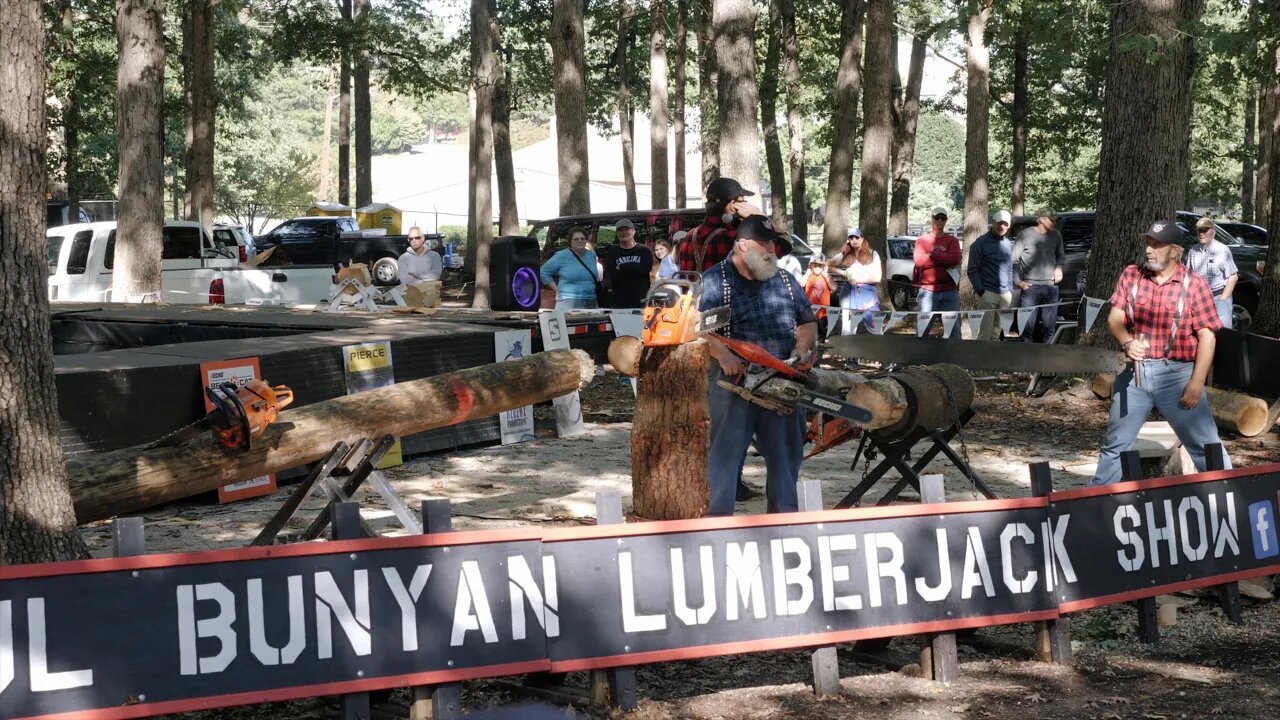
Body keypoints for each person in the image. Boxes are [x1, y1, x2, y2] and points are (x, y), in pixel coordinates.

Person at [1091, 219, 1230, 485]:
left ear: (1175, 251)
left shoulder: (1194, 283)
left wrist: (1196, 383)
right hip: (1135, 376)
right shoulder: (1132, 275)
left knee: (1205, 446)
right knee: (1115, 445)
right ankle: (1096, 505)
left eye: (1157, 245)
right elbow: (1115, 319)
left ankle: (1232, 497)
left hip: (1177, 376)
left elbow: (1207, 336)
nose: (1149, 250)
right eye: (1148, 243)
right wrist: (1127, 342)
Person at [699, 215, 818, 516]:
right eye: (763, 243)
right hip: (733, 384)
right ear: (742, 245)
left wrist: (802, 348)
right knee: (724, 458)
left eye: (772, 244)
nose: (770, 250)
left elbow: (806, 322)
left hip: (783, 380)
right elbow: (701, 330)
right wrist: (722, 355)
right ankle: (717, 525)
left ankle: (785, 521)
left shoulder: (786, 281)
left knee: (786, 457)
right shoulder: (716, 281)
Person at [677, 177, 765, 272]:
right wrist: (760, 216)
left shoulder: (689, 236)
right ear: (732, 205)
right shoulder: (732, 238)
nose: (746, 203)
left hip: (694, 287)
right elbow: (781, 246)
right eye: (742, 200)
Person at [1012, 207, 1066, 343]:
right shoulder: (1025, 235)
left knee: (1049, 326)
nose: (1054, 222)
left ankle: (1047, 357)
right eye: (1051, 219)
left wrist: (1059, 268)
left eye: (1055, 219)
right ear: (1041, 219)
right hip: (1030, 287)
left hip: (1051, 286)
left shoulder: (1056, 235)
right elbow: (1013, 261)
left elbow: (1061, 255)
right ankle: (1027, 357)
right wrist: (1019, 282)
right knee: (1027, 326)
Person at [968, 209, 1014, 340]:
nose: (1002, 226)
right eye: (999, 223)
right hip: (987, 293)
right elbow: (972, 269)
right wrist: (981, 291)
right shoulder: (980, 243)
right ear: (993, 223)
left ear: (1009, 225)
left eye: (1005, 224)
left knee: (996, 334)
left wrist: (1010, 289)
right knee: (984, 334)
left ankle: (993, 360)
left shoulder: (1007, 243)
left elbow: (1009, 267)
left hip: (1005, 295)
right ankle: (979, 360)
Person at [1186, 217, 1238, 329]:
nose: (1201, 233)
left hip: (1219, 297)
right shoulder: (1193, 251)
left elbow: (1233, 277)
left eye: (1204, 231)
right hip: (1199, 299)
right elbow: (1188, 277)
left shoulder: (1222, 250)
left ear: (1213, 232)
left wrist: (1224, 299)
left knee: (1223, 333)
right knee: (1202, 331)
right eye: (1199, 231)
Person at [829, 228, 881, 334]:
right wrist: (843, 273)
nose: (854, 240)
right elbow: (827, 265)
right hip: (848, 292)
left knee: (876, 326)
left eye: (857, 237)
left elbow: (877, 278)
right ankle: (847, 348)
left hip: (867, 294)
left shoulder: (873, 254)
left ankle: (879, 348)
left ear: (862, 238)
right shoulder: (845, 254)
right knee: (847, 327)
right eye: (851, 237)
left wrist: (857, 280)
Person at [913, 207, 962, 312]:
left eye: (943, 218)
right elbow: (919, 261)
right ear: (932, 218)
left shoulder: (953, 240)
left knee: (954, 327)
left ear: (946, 220)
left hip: (950, 290)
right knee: (923, 327)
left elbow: (955, 259)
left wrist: (932, 255)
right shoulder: (921, 240)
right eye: (937, 217)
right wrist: (944, 259)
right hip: (927, 291)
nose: (939, 220)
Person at [539, 228, 601, 310]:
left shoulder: (592, 255)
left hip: (591, 300)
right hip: (568, 301)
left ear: (586, 240)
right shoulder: (561, 256)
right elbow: (543, 272)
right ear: (570, 242)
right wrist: (557, 289)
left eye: (583, 238)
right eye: (576, 239)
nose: (580, 241)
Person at [602, 218, 654, 308]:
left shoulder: (645, 251)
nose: (624, 232)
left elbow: (643, 270)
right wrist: (634, 268)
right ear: (617, 233)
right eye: (620, 230)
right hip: (620, 301)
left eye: (627, 229)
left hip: (642, 300)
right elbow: (612, 275)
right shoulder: (612, 252)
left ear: (633, 231)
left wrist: (621, 267)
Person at [803, 252, 834, 338]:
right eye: (814, 265)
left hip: (823, 311)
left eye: (820, 266)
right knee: (810, 333)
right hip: (810, 310)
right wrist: (807, 272)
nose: (817, 268)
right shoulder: (808, 276)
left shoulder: (826, 277)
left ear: (824, 267)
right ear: (810, 266)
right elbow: (801, 284)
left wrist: (826, 275)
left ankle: (821, 345)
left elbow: (834, 288)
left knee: (822, 332)